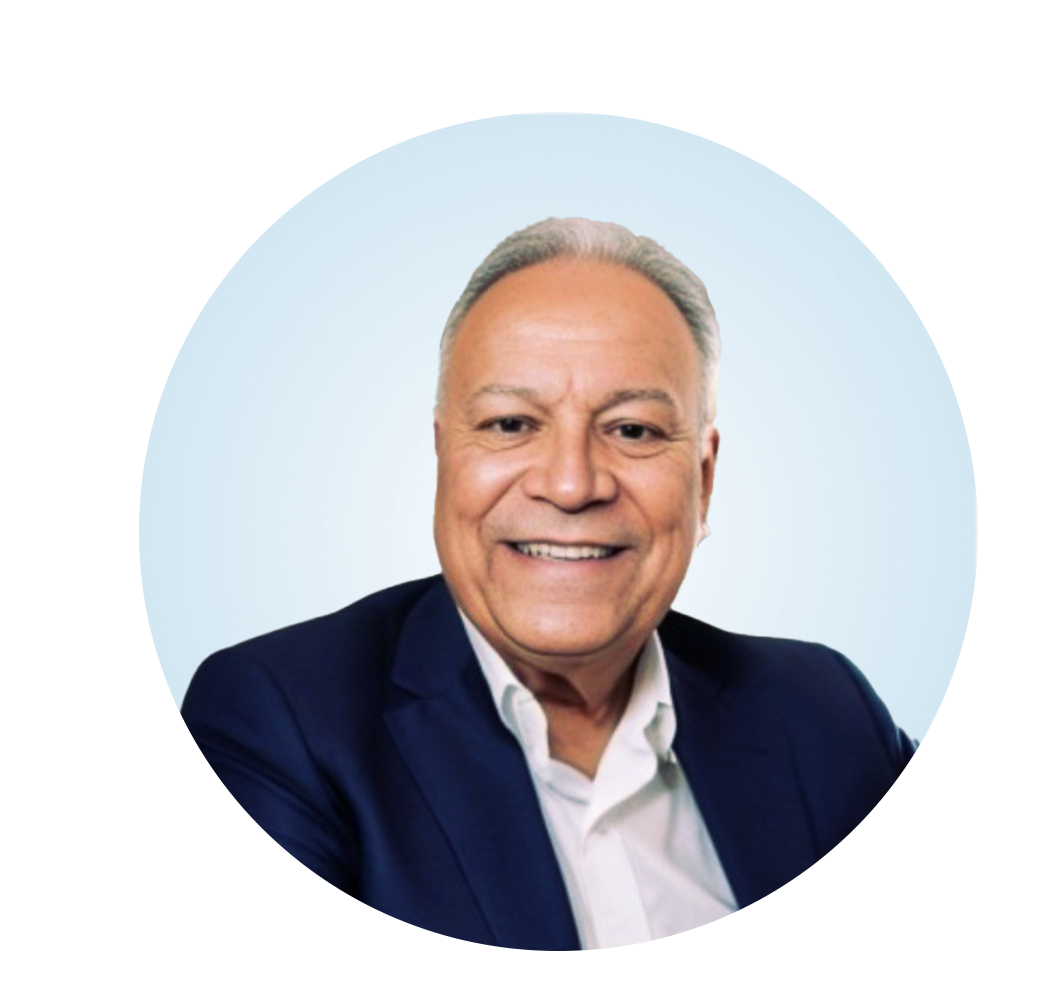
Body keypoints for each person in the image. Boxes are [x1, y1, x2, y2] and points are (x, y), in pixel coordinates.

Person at [182, 217, 923, 950]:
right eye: (511, 425)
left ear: (703, 478)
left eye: (631, 430)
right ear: (445, 457)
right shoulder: (281, 721)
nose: (571, 484)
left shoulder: (825, 714)